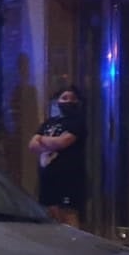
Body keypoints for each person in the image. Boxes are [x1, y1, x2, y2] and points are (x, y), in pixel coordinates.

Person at [30, 86, 87, 227]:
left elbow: (63, 142)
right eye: (64, 98)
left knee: (68, 213)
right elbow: (32, 145)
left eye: (72, 99)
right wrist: (50, 142)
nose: (68, 102)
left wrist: (43, 140)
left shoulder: (77, 122)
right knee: (50, 212)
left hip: (68, 177)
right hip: (48, 177)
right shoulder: (49, 122)